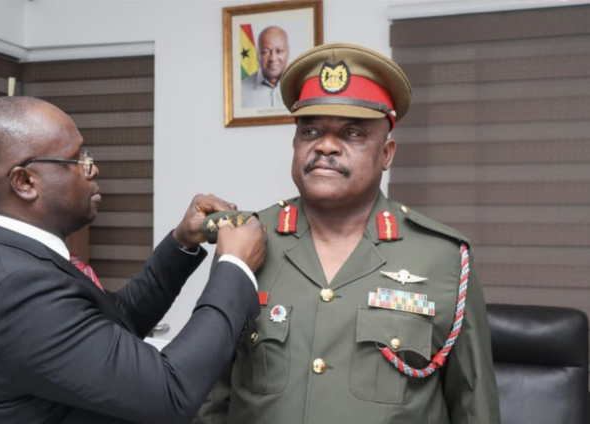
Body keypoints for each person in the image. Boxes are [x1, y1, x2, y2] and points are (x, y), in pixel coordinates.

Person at [195, 43, 501, 424]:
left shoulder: (444, 260)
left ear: (386, 154)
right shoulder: (244, 242)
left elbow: (475, 407)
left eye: (352, 133)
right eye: (310, 130)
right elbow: (209, 396)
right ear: (295, 143)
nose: (325, 145)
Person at [0, 96, 268, 424]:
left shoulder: (2, 255)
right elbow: (171, 391)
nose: (92, 168)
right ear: (25, 182)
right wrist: (235, 267)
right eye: (76, 158)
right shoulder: (17, 287)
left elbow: (120, 318)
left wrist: (181, 242)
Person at [241, 26, 289, 108]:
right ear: (258, 55)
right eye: (266, 52)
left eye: (279, 51)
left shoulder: (300, 87)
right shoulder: (241, 90)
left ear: (288, 53)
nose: (273, 58)